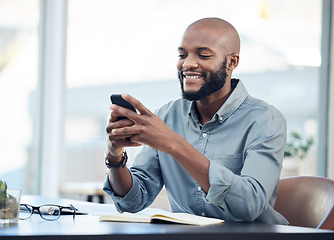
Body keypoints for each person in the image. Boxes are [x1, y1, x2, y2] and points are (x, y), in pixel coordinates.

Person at [103, 17, 289, 225]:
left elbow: (248, 206)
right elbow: (133, 202)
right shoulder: (167, 115)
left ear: (232, 62)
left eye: (203, 55)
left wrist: (174, 144)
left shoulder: (266, 120)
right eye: (182, 54)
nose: (188, 63)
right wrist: (115, 156)